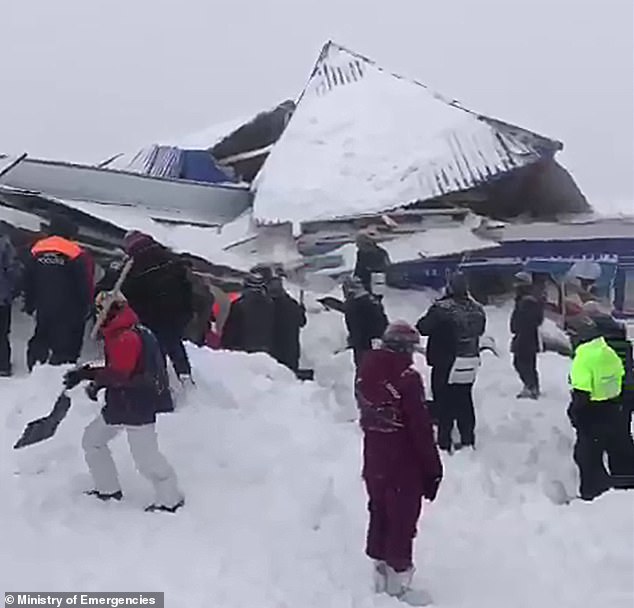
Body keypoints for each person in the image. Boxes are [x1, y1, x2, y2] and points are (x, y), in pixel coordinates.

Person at [63, 290, 184, 513]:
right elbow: (117, 367)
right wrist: (86, 373)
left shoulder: (126, 337)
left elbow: (120, 373)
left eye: (100, 310)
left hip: (136, 405)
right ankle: (108, 489)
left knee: (146, 458)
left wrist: (96, 383)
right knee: (93, 441)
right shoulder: (126, 332)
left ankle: (170, 499)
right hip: (121, 404)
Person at [356, 321, 442, 604]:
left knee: (379, 510)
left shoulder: (365, 370)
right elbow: (419, 428)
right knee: (403, 520)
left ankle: (379, 569)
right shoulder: (407, 378)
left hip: (374, 457)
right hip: (403, 462)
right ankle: (399, 582)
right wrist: (433, 469)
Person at [416, 272, 486, 452]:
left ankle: (444, 441)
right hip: (470, 360)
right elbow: (480, 330)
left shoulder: (442, 308)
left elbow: (423, 328)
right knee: (465, 398)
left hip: (446, 361)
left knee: (444, 400)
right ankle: (467, 439)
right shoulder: (477, 309)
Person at [567, 315, 633, 501]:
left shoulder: (584, 357)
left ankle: (594, 494)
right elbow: (621, 374)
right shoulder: (608, 351)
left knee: (587, 456)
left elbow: (581, 393)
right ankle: (627, 488)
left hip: (593, 412)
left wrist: (575, 413)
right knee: (620, 448)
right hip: (615, 407)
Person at [121, 232, 193, 381]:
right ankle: (184, 375)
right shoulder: (170, 258)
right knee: (175, 343)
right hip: (178, 311)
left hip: (152, 316)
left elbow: (129, 294)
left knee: (156, 350)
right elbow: (186, 284)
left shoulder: (133, 268)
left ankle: (161, 382)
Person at [24, 215, 91, 370]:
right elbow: (83, 282)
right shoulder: (75, 252)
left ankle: (35, 366)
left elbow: (27, 278)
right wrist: (86, 305)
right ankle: (59, 372)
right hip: (68, 307)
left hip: (43, 304)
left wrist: (29, 303)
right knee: (64, 343)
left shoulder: (37, 249)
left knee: (41, 335)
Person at [343, 275, 388, 372]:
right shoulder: (372, 301)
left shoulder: (354, 304)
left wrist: (355, 340)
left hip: (363, 344)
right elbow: (383, 321)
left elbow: (355, 327)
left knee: (364, 372)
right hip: (375, 342)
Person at [510, 272, 544, 399]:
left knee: (522, 363)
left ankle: (531, 386)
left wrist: (518, 329)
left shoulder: (528, 301)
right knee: (527, 363)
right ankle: (532, 386)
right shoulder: (529, 299)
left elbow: (530, 320)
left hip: (525, 337)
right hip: (527, 337)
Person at [221, 273, 274, 354]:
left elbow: (231, 330)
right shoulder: (270, 304)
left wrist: (225, 347)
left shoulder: (239, 305)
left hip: (242, 350)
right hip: (264, 351)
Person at [269, 276, 307, 373]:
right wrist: (302, 311)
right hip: (291, 349)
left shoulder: (268, 305)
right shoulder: (292, 304)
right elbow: (302, 322)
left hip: (274, 348)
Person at [0, 231, 21, 376]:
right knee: (2, 333)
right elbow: (13, 270)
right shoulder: (5, 245)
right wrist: (13, 291)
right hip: (2, 297)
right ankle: (3, 366)